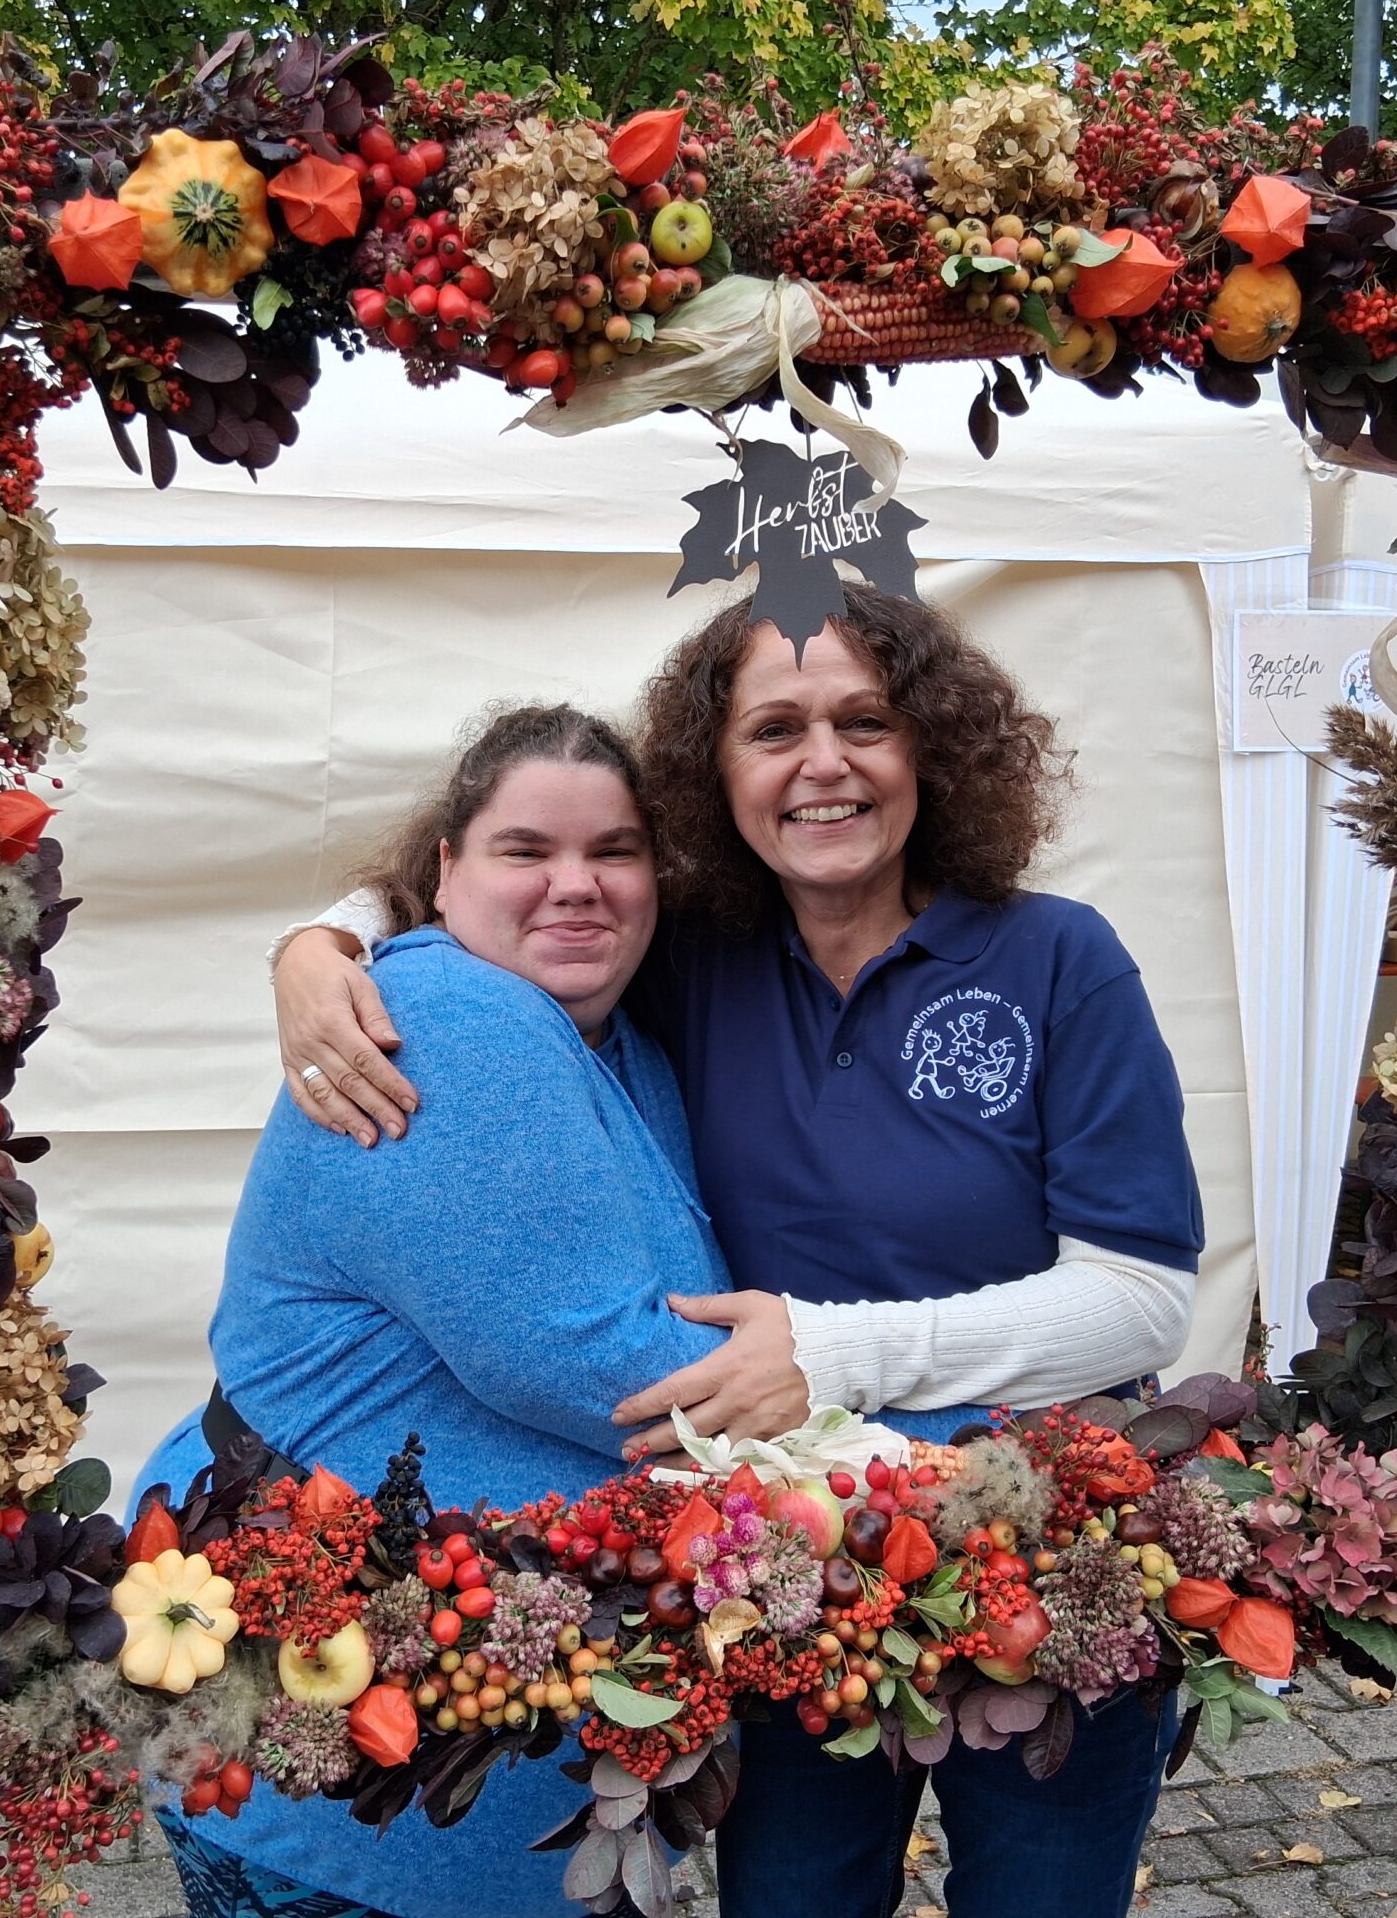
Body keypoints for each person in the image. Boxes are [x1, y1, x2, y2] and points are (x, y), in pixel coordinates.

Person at [272, 585, 1205, 1918]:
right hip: (788, 1582)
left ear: (931, 748)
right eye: (774, 728)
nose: (823, 764)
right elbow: (513, 895)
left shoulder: (1058, 959)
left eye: (865, 720)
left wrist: (837, 1352)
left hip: (1042, 1560)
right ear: (717, 777)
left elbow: (1146, 1301)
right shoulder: (689, 955)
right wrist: (318, 946)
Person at [140, 704, 732, 1918]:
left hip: (449, 1754)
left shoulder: (616, 1037)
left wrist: (320, 933)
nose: (577, 886)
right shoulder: (457, 1022)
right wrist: (881, 1378)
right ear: (445, 873)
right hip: (357, 1786)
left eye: (614, 852)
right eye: (526, 851)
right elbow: (599, 1366)